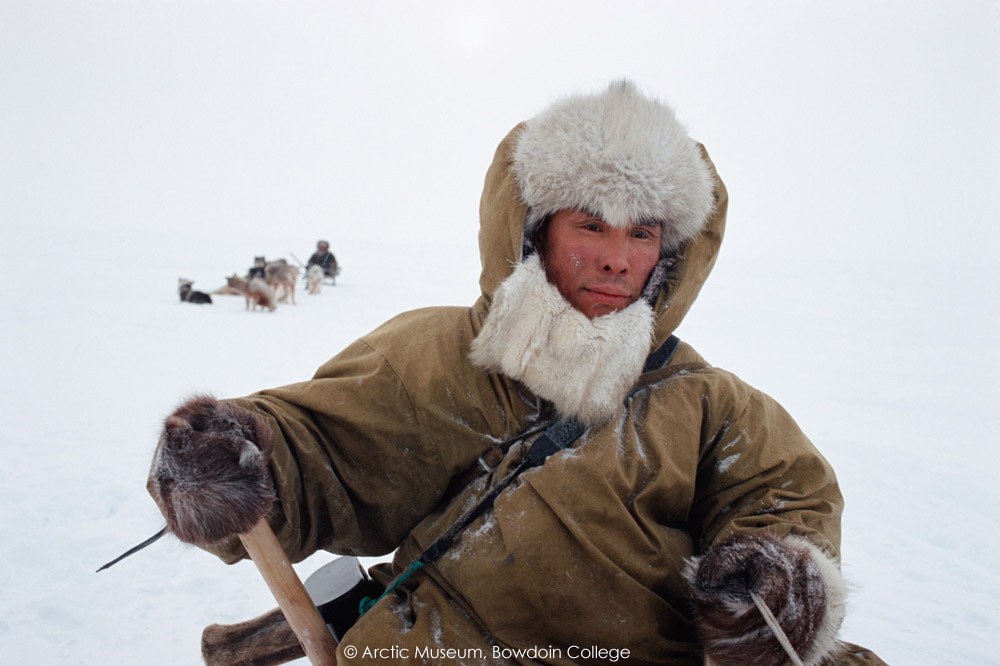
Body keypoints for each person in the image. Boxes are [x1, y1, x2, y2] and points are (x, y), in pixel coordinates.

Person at [147, 81, 885, 665]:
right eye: (590, 224)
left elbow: (780, 495)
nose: (616, 257)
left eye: (642, 233)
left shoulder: (710, 405)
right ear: (534, 230)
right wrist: (239, 453)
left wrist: (778, 580)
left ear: (671, 253)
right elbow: (326, 454)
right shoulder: (439, 355)